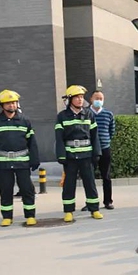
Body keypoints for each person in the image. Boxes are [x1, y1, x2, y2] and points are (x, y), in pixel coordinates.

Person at [0, 90, 40, 227]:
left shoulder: (24, 120)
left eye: (14, 102)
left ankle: (30, 216)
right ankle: (7, 217)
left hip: (22, 162)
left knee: (27, 189)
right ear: (2, 105)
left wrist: (34, 159)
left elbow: (32, 142)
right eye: (9, 103)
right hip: (3, 164)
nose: (12, 105)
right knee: (5, 190)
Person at [56, 85, 103, 222]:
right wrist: (61, 155)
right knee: (69, 184)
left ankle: (94, 209)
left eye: (82, 97)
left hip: (86, 156)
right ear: (70, 99)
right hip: (70, 156)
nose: (80, 100)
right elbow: (59, 138)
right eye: (77, 97)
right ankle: (69, 211)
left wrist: (96, 153)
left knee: (90, 183)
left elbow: (95, 136)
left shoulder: (89, 114)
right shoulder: (62, 116)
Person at [88, 90, 115, 210]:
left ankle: (108, 201)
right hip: (90, 149)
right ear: (91, 99)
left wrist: (105, 140)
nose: (99, 100)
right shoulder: (86, 113)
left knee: (106, 176)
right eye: (96, 98)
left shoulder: (108, 114)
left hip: (105, 148)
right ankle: (90, 202)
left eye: (101, 98)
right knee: (89, 176)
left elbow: (111, 131)